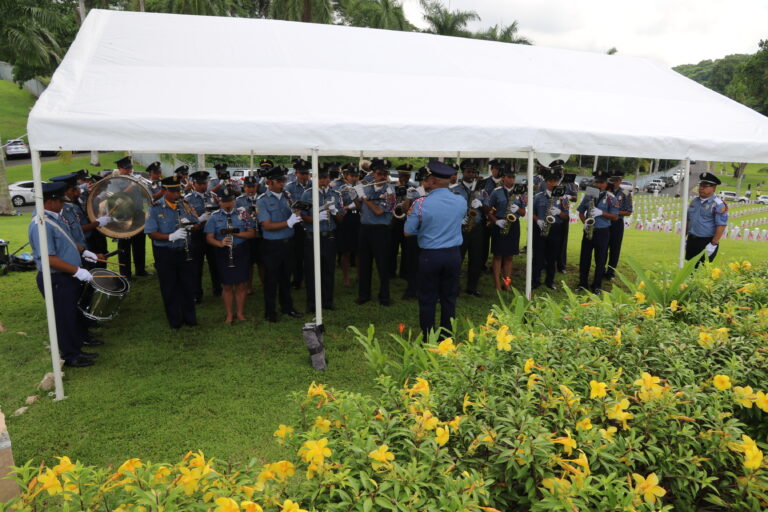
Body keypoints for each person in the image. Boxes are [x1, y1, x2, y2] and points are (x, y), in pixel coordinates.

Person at [28, 182, 101, 367]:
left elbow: (66, 242)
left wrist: (83, 251)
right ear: (51, 201)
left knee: (72, 314)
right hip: (56, 278)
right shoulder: (41, 224)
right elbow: (49, 258)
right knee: (64, 317)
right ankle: (71, 355)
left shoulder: (54, 218)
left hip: (66, 276)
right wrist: (78, 270)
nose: (63, 205)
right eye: (60, 201)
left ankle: (76, 348)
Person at [404, 161, 465, 340]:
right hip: (453, 254)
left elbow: (408, 232)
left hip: (430, 255)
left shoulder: (421, 203)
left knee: (428, 298)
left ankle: (429, 337)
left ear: (432, 181)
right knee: (449, 297)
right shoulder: (460, 200)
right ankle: (446, 336)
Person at [144, 176, 199, 329]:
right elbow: (151, 232)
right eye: (174, 191)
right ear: (165, 191)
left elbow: (196, 223)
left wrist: (192, 226)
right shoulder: (154, 208)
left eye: (179, 191)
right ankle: (175, 320)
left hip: (184, 250)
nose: (178, 194)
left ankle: (190, 318)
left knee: (187, 285)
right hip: (165, 253)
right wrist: (170, 236)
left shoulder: (184, 205)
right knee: (169, 287)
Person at [256, 166, 303, 322]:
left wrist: (297, 215)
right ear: (270, 182)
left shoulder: (287, 196)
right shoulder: (262, 200)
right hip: (272, 245)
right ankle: (270, 312)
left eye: (284, 180)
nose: (283, 183)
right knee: (271, 279)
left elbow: (293, 214)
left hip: (288, 243)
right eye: (280, 181)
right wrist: (287, 223)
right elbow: (266, 225)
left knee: (286, 277)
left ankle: (287, 307)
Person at [205, 186, 257, 324]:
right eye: (224, 201)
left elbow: (252, 233)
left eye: (230, 201)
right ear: (219, 202)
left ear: (234, 201)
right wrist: (220, 243)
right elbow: (209, 237)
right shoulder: (214, 217)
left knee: (241, 285)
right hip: (223, 252)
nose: (228, 204)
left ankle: (239, 313)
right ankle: (229, 314)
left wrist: (236, 233)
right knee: (227, 285)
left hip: (240, 251)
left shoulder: (244, 214)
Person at [300, 167, 343, 311]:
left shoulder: (335, 194)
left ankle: (327, 302)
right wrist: (315, 218)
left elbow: (341, 219)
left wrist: (335, 211)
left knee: (328, 270)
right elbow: (302, 216)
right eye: (320, 178)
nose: (323, 181)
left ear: (329, 178)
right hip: (313, 237)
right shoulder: (307, 194)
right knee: (311, 271)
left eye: (325, 178)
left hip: (329, 236)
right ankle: (312, 304)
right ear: (314, 178)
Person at [355, 159, 395, 306]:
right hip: (365, 229)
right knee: (365, 264)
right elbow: (360, 206)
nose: (382, 176)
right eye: (379, 173)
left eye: (385, 173)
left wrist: (365, 198)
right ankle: (364, 295)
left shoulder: (390, 190)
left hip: (380, 230)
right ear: (373, 173)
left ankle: (384, 296)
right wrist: (356, 195)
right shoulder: (367, 186)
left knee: (382, 265)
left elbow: (378, 211)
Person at [577, 170, 619, 293]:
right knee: (584, 258)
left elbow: (615, 216)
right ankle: (582, 283)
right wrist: (584, 222)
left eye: (601, 182)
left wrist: (602, 213)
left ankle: (597, 285)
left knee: (600, 259)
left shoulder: (611, 198)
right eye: (597, 182)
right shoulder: (589, 194)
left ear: (606, 183)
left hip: (602, 231)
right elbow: (580, 211)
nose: (598, 185)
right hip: (588, 230)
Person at [487, 167, 527, 290]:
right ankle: (497, 284)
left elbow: (523, 212)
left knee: (509, 256)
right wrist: (496, 221)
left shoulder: (520, 192)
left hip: (513, 224)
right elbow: (489, 210)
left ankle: (506, 283)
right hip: (500, 223)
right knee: (498, 255)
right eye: (509, 177)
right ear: (503, 178)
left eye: (513, 177)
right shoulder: (496, 191)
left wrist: (517, 209)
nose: (511, 179)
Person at [185, 170, 221, 303]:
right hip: (197, 235)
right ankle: (196, 293)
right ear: (193, 184)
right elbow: (186, 219)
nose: (203, 186)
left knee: (215, 263)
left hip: (212, 234)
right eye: (199, 184)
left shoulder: (213, 196)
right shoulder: (188, 199)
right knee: (196, 266)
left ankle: (218, 288)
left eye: (205, 183)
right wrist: (200, 219)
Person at [112, 156, 149, 279]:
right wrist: (132, 185)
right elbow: (117, 196)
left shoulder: (133, 179)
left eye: (130, 168)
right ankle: (125, 273)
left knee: (140, 243)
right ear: (119, 168)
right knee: (124, 246)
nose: (129, 170)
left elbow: (144, 195)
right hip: (124, 215)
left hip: (138, 213)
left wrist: (143, 185)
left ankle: (141, 269)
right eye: (126, 168)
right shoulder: (115, 180)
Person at [531, 172, 570, 290]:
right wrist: (538, 221)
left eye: (556, 181)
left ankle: (550, 281)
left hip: (555, 229)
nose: (553, 183)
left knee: (552, 257)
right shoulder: (538, 196)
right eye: (550, 180)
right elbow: (531, 213)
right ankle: (535, 281)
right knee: (538, 256)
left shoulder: (563, 198)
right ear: (546, 182)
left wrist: (559, 212)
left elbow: (566, 217)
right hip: (540, 228)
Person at [453, 159, 486, 296]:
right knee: (457, 258)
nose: (471, 174)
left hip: (476, 228)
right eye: (468, 171)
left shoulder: (481, 190)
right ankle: (454, 286)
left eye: (473, 171)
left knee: (476, 259)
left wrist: (482, 205)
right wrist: (459, 219)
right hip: (460, 228)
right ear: (463, 172)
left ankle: (472, 287)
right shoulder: (454, 189)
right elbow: (450, 209)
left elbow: (489, 208)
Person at [685, 172, 728, 264]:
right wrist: (684, 237)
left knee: (701, 270)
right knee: (688, 268)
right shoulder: (695, 202)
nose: (701, 188)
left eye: (705, 186)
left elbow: (721, 225)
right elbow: (689, 220)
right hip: (691, 240)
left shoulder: (718, 204)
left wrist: (713, 244)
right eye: (700, 185)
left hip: (706, 242)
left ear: (713, 188)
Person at [286, 159, 312, 289]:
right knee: (296, 254)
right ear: (296, 173)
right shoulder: (289, 186)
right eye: (301, 173)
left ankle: (310, 278)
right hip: (296, 223)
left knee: (310, 253)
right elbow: (287, 204)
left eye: (306, 173)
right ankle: (297, 279)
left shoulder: (313, 185)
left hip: (311, 221)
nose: (304, 176)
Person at [334, 163, 361, 287]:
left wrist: (351, 203)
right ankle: (346, 278)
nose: (355, 178)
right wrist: (347, 206)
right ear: (346, 175)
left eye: (356, 175)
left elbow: (362, 203)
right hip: (346, 218)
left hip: (359, 217)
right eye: (352, 175)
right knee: (346, 251)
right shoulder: (340, 187)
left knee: (359, 250)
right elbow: (339, 204)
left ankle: (358, 275)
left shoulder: (361, 186)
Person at [235, 176, 264, 294]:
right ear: (244, 187)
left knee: (262, 262)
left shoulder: (262, 199)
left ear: (257, 187)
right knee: (248, 262)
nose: (251, 189)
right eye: (248, 187)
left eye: (253, 186)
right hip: (247, 234)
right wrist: (244, 217)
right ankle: (249, 286)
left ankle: (264, 283)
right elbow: (236, 217)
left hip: (262, 234)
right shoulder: (239, 200)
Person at [605, 171, 633, 280]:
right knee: (603, 247)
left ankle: (611, 272)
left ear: (620, 181)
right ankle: (601, 269)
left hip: (617, 223)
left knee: (615, 248)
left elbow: (629, 211)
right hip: (605, 222)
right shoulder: (605, 191)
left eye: (617, 180)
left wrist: (614, 212)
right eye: (612, 180)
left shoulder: (626, 193)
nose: (615, 182)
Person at [390, 164, 415, 280]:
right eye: (402, 175)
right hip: (394, 220)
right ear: (399, 175)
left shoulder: (413, 188)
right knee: (392, 248)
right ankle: (391, 272)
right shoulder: (391, 186)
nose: (404, 177)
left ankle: (404, 273)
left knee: (407, 249)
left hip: (407, 221)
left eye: (407, 175)